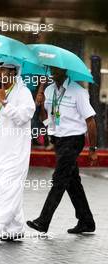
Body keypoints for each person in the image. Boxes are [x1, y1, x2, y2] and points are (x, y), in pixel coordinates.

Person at [27, 66, 98, 234]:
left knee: (59, 179)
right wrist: (41, 104)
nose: (53, 73)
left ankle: (43, 221)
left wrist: (93, 148)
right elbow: (45, 117)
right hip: (58, 140)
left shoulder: (78, 92)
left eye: (56, 70)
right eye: (51, 70)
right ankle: (86, 221)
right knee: (72, 182)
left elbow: (91, 121)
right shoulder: (49, 90)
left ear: (65, 71)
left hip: (73, 139)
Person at [0, 58, 35, 245]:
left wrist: (5, 101)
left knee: (9, 188)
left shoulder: (24, 93)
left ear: (13, 71)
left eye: (2, 70)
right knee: (5, 189)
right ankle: (16, 229)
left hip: (16, 151)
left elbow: (23, 117)